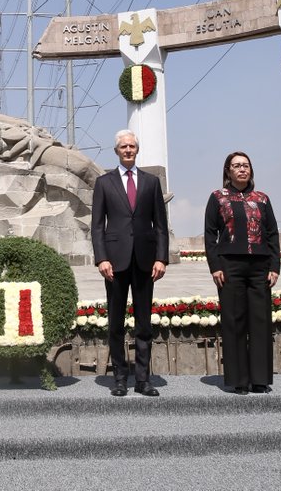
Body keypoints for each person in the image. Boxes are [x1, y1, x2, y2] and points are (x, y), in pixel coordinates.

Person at [91, 130, 169, 397]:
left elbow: (160, 225)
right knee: (116, 323)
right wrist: (101, 258)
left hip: (145, 261)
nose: (128, 150)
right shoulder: (104, 183)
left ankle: (143, 379)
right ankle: (120, 379)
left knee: (144, 323)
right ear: (116, 151)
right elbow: (97, 226)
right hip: (114, 262)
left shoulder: (151, 182)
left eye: (132, 146)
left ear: (137, 149)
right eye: (123, 146)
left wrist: (161, 258)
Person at [205, 151, 281, 395]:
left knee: (260, 322)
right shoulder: (218, 197)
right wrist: (215, 266)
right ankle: (239, 380)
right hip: (230, 267)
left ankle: (260, 379)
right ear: (228, 171)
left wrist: (275, 266)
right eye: (236, 165)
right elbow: (210, 235)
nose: (242, 169)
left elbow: (272, 234)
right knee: (234, 321)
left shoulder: (262, 199)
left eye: (246, 165)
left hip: (260, 267)